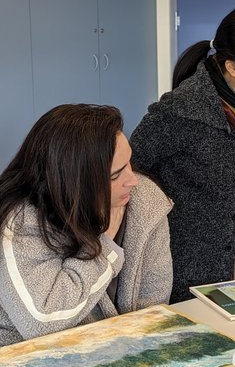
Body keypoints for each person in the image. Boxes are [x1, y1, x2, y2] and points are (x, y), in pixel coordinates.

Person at [130, 6, 235, 303]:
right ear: (232, 67)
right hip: (178, 245)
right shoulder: (180, 111)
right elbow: (129, 169)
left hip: (221, 243)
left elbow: (234, 165)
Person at [0, 105, 172, 346]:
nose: (133, 180)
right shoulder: (22, 222)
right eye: (116, 175)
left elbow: (153, 307)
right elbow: (41, 322)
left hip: (111, 353)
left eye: (129, 162)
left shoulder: (146, 203)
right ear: (74, 181)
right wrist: (105, 245)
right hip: (25, 361)